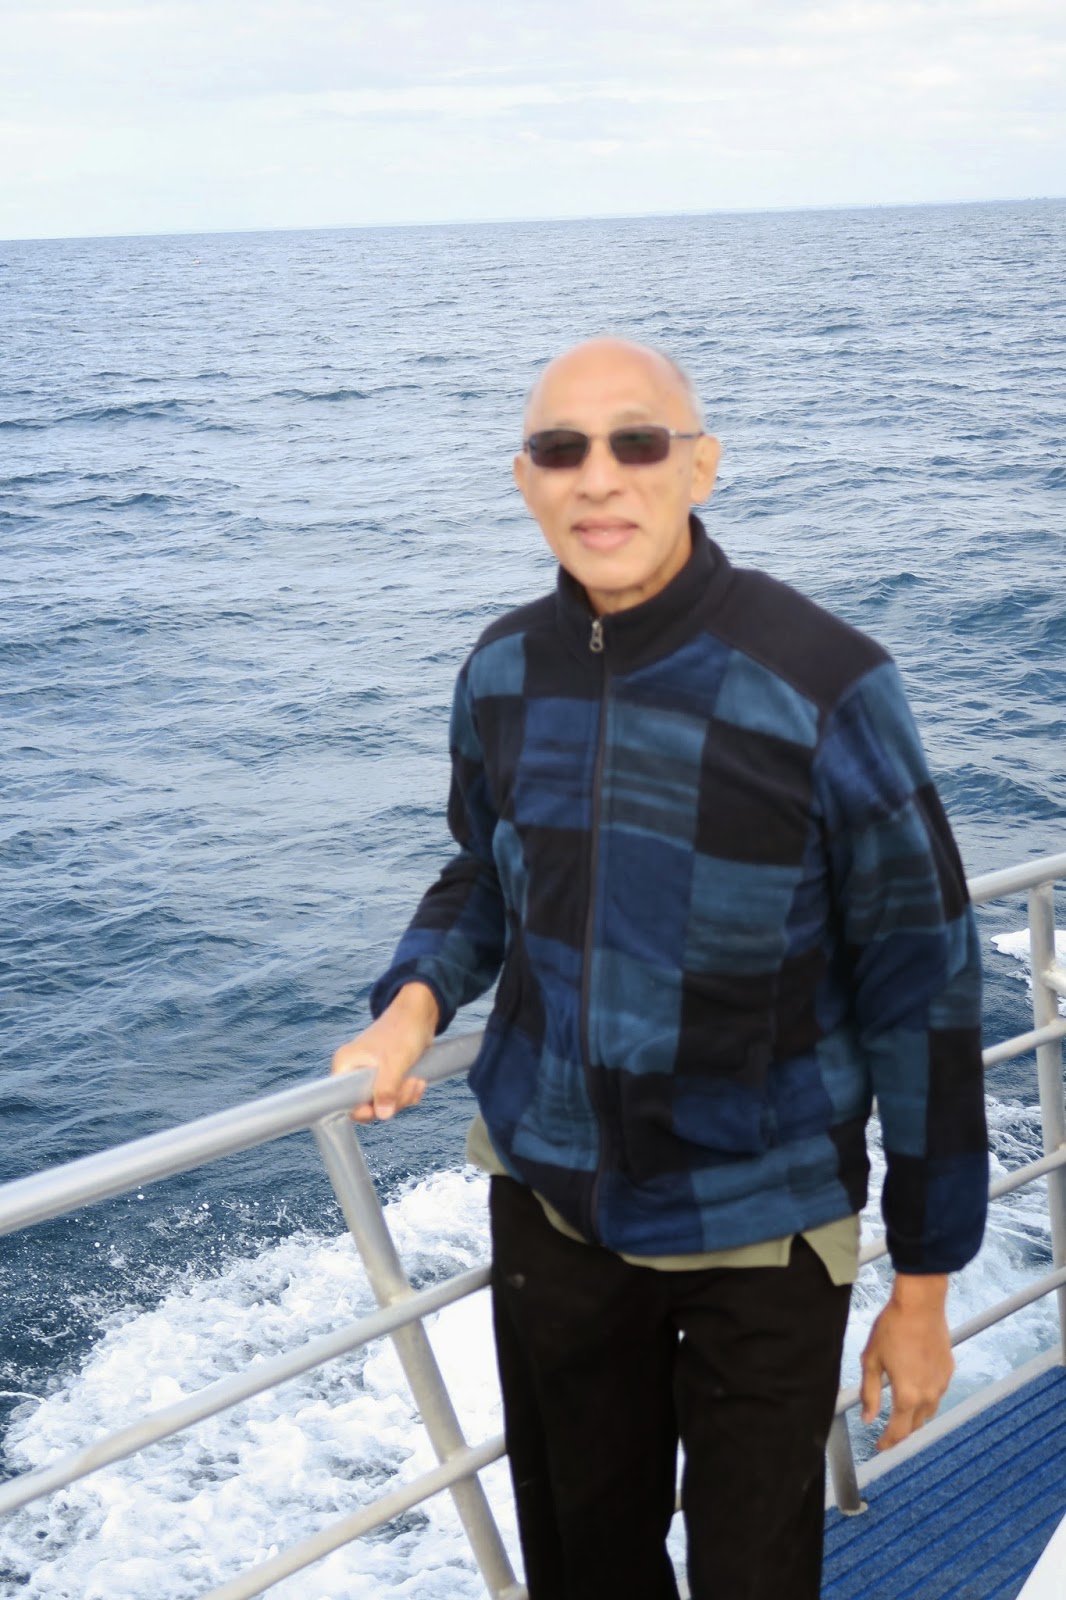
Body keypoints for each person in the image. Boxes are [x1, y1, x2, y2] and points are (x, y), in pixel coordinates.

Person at [332, 338, 988, 1600]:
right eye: (559, 449)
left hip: (764, 1223)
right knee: (586, 1567)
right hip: (554, 1208)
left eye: (636, 441)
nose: (598, 476)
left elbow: (925, 988)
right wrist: (414, 1001)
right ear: (523, 479)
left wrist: (921, 1289)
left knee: (755, 1572)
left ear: (700, 465)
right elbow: (485, 872)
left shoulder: (824, 681)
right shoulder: (501, 672)